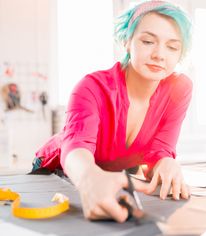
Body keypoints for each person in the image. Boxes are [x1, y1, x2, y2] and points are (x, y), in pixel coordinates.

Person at [33, 0, 192, 222]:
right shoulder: (92, 87)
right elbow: (76, 147)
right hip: (57, 170)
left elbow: (160, 150)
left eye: (172, 47)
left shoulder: (179, 89)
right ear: (127, 42)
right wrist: (89, 178)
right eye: (148, 41)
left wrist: (166, 162)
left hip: (107, 177)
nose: (159, 54)